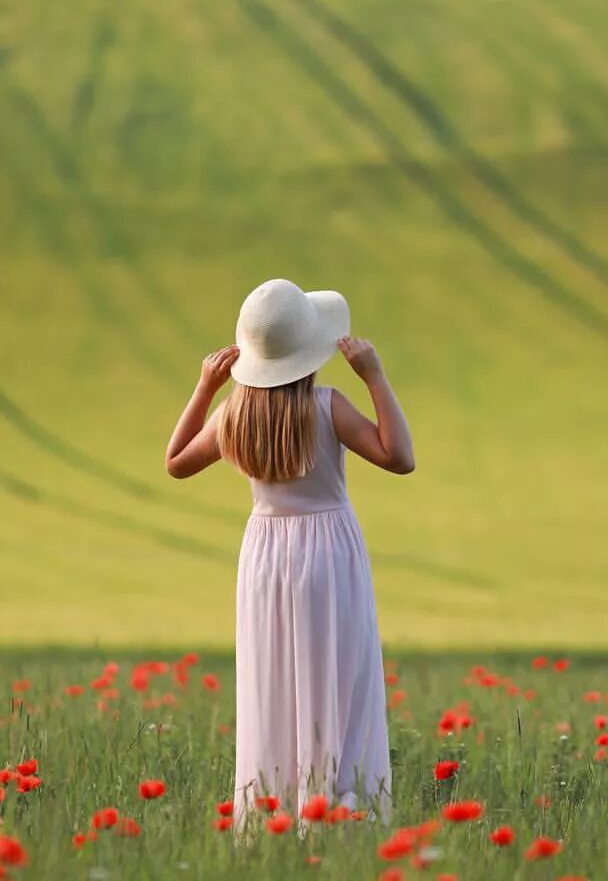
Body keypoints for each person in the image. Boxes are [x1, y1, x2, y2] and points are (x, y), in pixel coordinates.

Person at [163, 278, 414, 834]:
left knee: (272, 678)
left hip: (266, 557)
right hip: (328, 551)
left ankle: (273, 812)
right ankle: (337, 811)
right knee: (337, 672)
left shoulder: (233, 415)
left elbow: (176, 461)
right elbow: (401, 458)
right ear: (312, 352)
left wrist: (205, 387)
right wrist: (374, 375)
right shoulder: (327, 406)